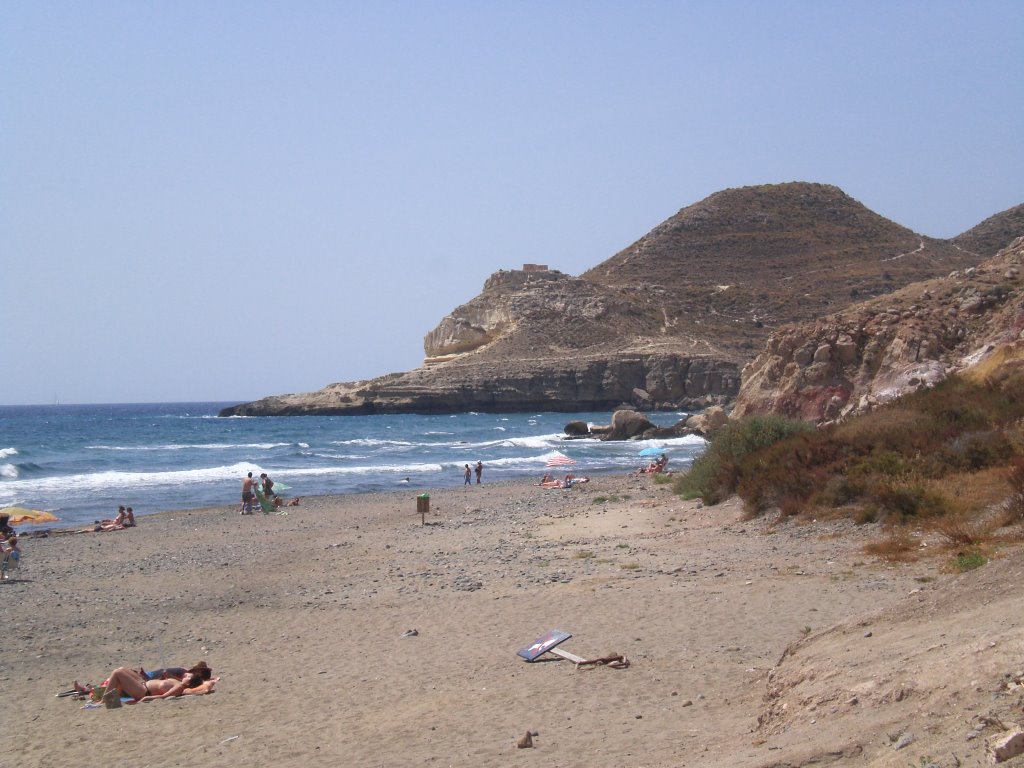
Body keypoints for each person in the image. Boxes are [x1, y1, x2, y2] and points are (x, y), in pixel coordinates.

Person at [99, 662, 212, 703]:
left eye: (188, 676)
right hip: (143, 683)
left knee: (117, 672)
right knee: (123, 669)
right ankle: (111, 697)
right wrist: (167, 677)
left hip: (144, 691)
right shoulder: (179, 682)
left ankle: (105, 700)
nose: (185, 675)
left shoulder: (180, 687)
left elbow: (164, 696)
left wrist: (150, 698)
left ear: (188, 683)